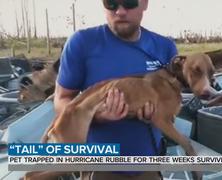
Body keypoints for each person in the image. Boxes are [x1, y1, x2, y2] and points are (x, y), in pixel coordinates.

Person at [54, 0, 177, 179]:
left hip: (148, 164)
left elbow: (171, 110)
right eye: (111, 3)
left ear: (144, 3)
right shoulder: (82, 43)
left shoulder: (165, 48)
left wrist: (158, 113)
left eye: (129, 3)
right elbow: (61, 100)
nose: (120, 11)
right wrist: (95, 115)